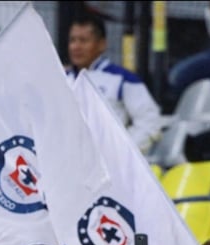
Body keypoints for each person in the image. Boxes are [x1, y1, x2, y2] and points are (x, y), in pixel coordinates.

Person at [65, 13, 162, 156]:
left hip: (109, 169)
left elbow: (150, 121)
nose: (76, 47)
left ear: (102, 44)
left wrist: (121, 151)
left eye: (84, 40)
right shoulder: (61, 79)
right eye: (72, 40)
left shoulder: (122, 79)